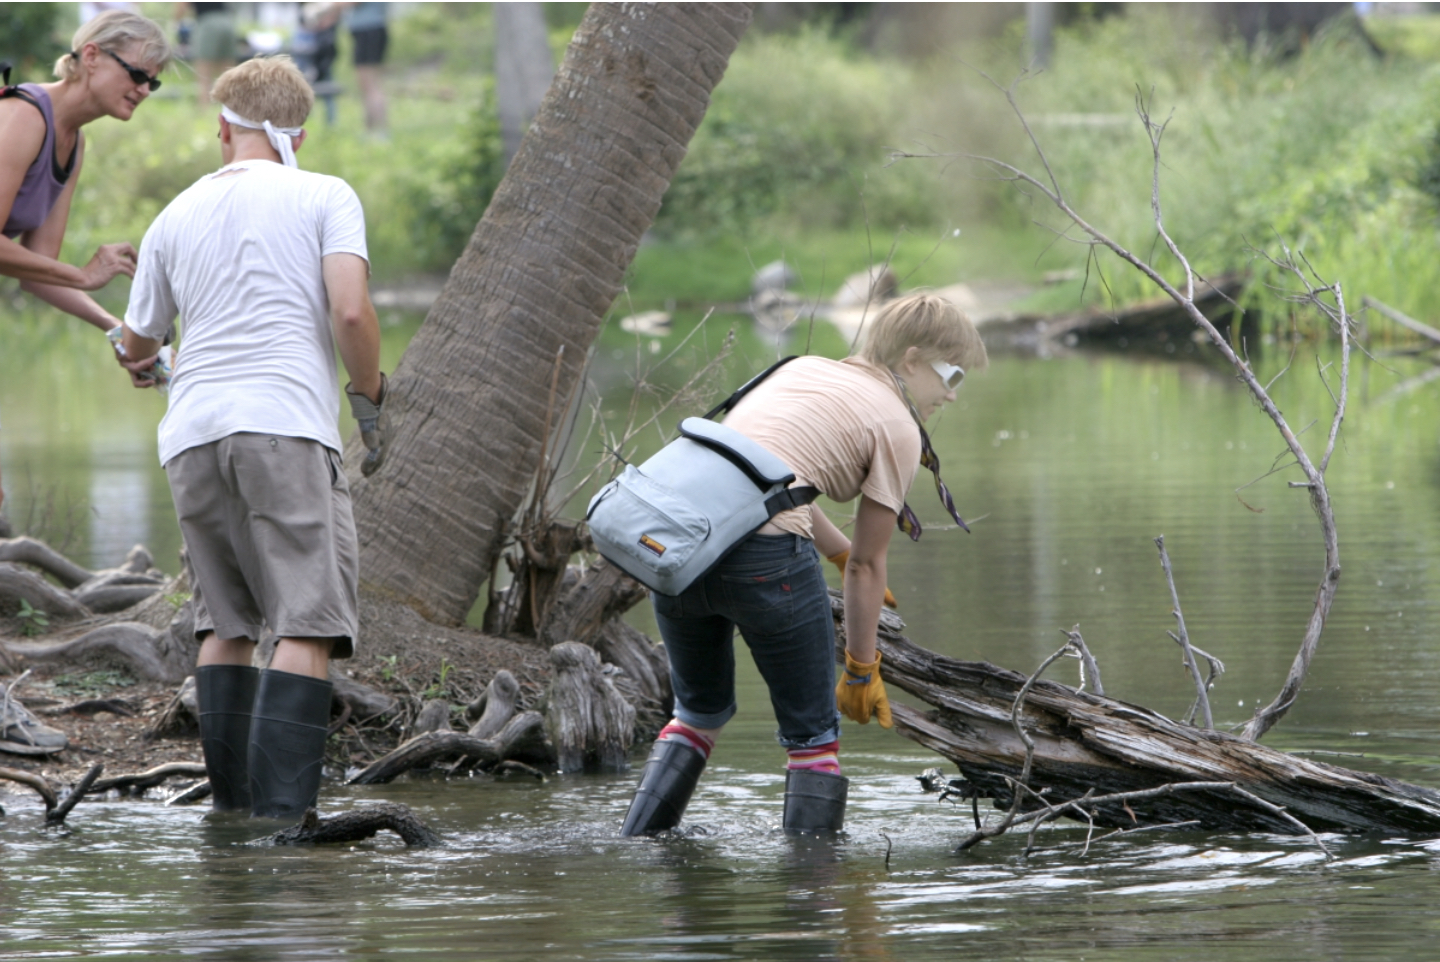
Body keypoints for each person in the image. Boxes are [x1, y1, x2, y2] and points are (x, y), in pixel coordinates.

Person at [119, 55, 387, 820]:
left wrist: (140, 360)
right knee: (305, 622)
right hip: (287, 427)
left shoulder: (172, 214)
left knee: (224, 624)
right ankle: (282, 833)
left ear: (223, 128)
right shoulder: (324, 194)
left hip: (193, 438)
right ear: (298, 132)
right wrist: (369, 401)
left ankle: (234, 823)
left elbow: (139, 342)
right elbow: (350, 314)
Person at [620, 293, 987, 836]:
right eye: (951, 374)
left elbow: (769, 483)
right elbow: (867, 565)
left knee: (696, 714)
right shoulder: (898, 424)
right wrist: (862, 669)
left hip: (679, 553)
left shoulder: (800, 369)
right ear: (911, 360)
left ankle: (637, 846)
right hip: (767, 563)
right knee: (813, 736)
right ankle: (812, 902)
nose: (953, 394)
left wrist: (833, 549)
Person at [0, 10, 171, 527]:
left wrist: (121, 332)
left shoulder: (70, 139)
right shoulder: (25, 116)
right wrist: (86, 273)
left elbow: (38, 270)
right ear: (91, 56)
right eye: (137, 74)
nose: (143, 89)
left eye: (154, 82)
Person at [342, 2, 388, 136]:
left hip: (368, 30)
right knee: (366, 85)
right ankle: (370, 131)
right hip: (368, 30)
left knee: (371, 85)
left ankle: (380, 132)